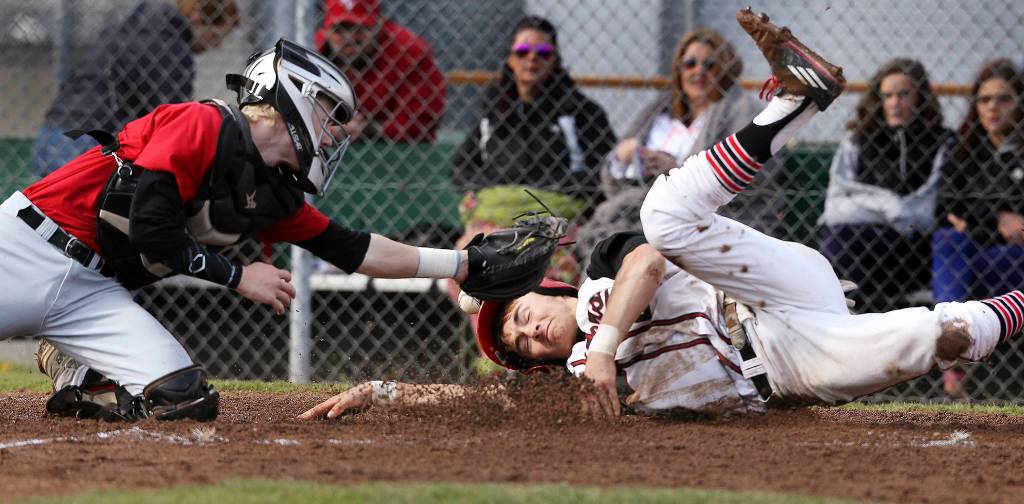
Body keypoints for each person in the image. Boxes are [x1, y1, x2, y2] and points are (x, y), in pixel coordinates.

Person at [302, 10, 1024, 420]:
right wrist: (376, 390)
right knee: (940, 333)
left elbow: (646, 264)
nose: (525, 328)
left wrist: (608, 346)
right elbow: (467, 400)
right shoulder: (570, 388)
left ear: (546, 290)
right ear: (536, 365)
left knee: (663, 217)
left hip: (765, 289)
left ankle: (794, 101)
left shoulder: (592, 309)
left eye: (519, 313)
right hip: (786, 363)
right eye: (520, 342)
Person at [5, 40, 493, 422]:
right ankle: (81, 363)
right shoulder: (201, 124)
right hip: (30, 248)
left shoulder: (269, 190)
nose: (333, 132)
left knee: (182, 401)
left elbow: (352, 249)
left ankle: (78, 367)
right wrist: (239, 277)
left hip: (93, 295)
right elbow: (151, 227)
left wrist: (463, 263)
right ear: (292, 97)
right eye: (327, 113)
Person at [576, 27, 773, 270]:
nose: (698, 71)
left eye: (709, 65)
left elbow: (752, 171)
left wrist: (676, 171)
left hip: (697, 219)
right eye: (689, 64)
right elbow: (611, 176)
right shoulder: (658, 110)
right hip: (636, 208)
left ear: (725, 69)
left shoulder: (741, 110)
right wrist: (624, 157)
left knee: (622, 247)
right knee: (611, 242)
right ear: (679, 70)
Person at [451, 15, 616, 286]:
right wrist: (501, 194)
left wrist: (544, 191)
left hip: (556, 222)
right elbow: (461, 167)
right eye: (523, 52)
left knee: (552, 267)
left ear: (555, 59)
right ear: (509, 59)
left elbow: (604, 171)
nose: (532, 59)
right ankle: (491, 329)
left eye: (543, 52)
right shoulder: (493, 111)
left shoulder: (580, 111)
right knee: (462, 263)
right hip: (494, 221)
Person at [31, 0, 240, 177]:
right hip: (90, 143)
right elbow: (176, 119)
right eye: (215, 36)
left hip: (54, 133)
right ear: (196, 19)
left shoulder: (133, 26)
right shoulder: (170, 46)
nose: (215, 46)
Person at [819, 58, 953, 312]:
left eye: (904, 94)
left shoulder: (941, 142)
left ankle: (842, 315)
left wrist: (867, 206)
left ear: (921, 97)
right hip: (860, 244)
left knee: (842, 242)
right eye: (887, 95)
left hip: (912, 249)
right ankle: (846, 314)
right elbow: (835, 208)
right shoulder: (858, 140)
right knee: (839, 238)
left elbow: (923, 214)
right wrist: (889, 205)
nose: (894, 103)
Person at [932, 59, 1024, 304]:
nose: (993, 107)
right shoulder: (962, 150)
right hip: (966, 251)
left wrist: (972, 220)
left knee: (1004, 257)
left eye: (1004, 99)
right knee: (947, 238)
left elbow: (1018, 231)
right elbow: (946, 208)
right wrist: (999, 217)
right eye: (984, 100)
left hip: (1009, 258)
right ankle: (953, 317)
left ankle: (953, 322)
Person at [314, 0, 445, 143]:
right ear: (326, 29)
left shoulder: (409, 51)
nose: (349, 38)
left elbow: (422, 123)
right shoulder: (313, 50)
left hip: (397, 150)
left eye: (358, 29)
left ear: (378, 25)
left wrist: (365, 129)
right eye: (339, 29)